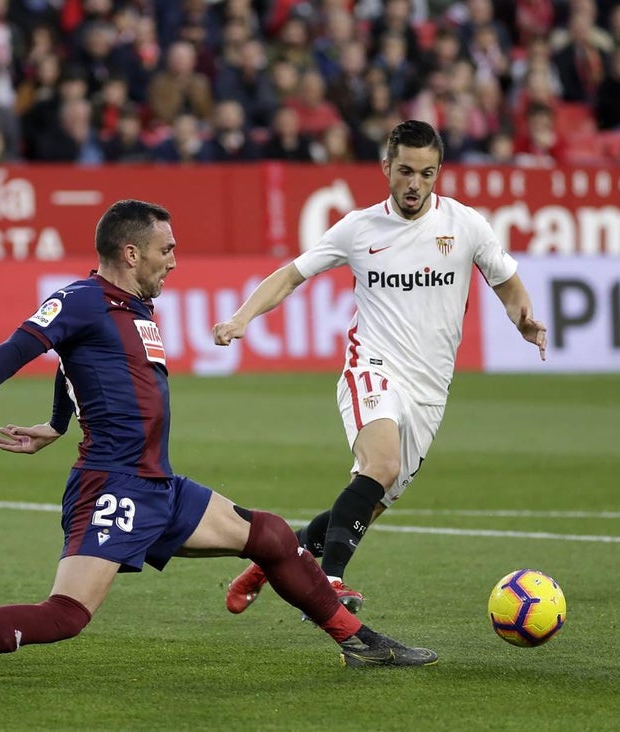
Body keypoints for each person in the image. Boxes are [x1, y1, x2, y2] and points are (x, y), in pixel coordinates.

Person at [0, 199, 438, 683]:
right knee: (64, 615)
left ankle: (361, 643)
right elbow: (22, 347)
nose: (175, 263)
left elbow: (73, 366)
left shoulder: (132, 308)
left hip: (159, 482)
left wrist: (58, 423)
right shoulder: (83, 298)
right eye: (167, 251)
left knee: (272, 534)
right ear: (131, 254)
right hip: (113, 483)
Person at [215, 120, 547, 615]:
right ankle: (328, 581)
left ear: (438, 173)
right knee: (381, 465)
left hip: (430, 387)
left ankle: (270, 559)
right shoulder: (359, 228)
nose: (416, 183)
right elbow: (291, 275)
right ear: (387, 168)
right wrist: (243, 317)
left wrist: (522, 319)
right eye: (406, 171)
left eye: (427, 173)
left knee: (368, 501)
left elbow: (507, 281)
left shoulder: (465, 225)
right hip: (372, 363)